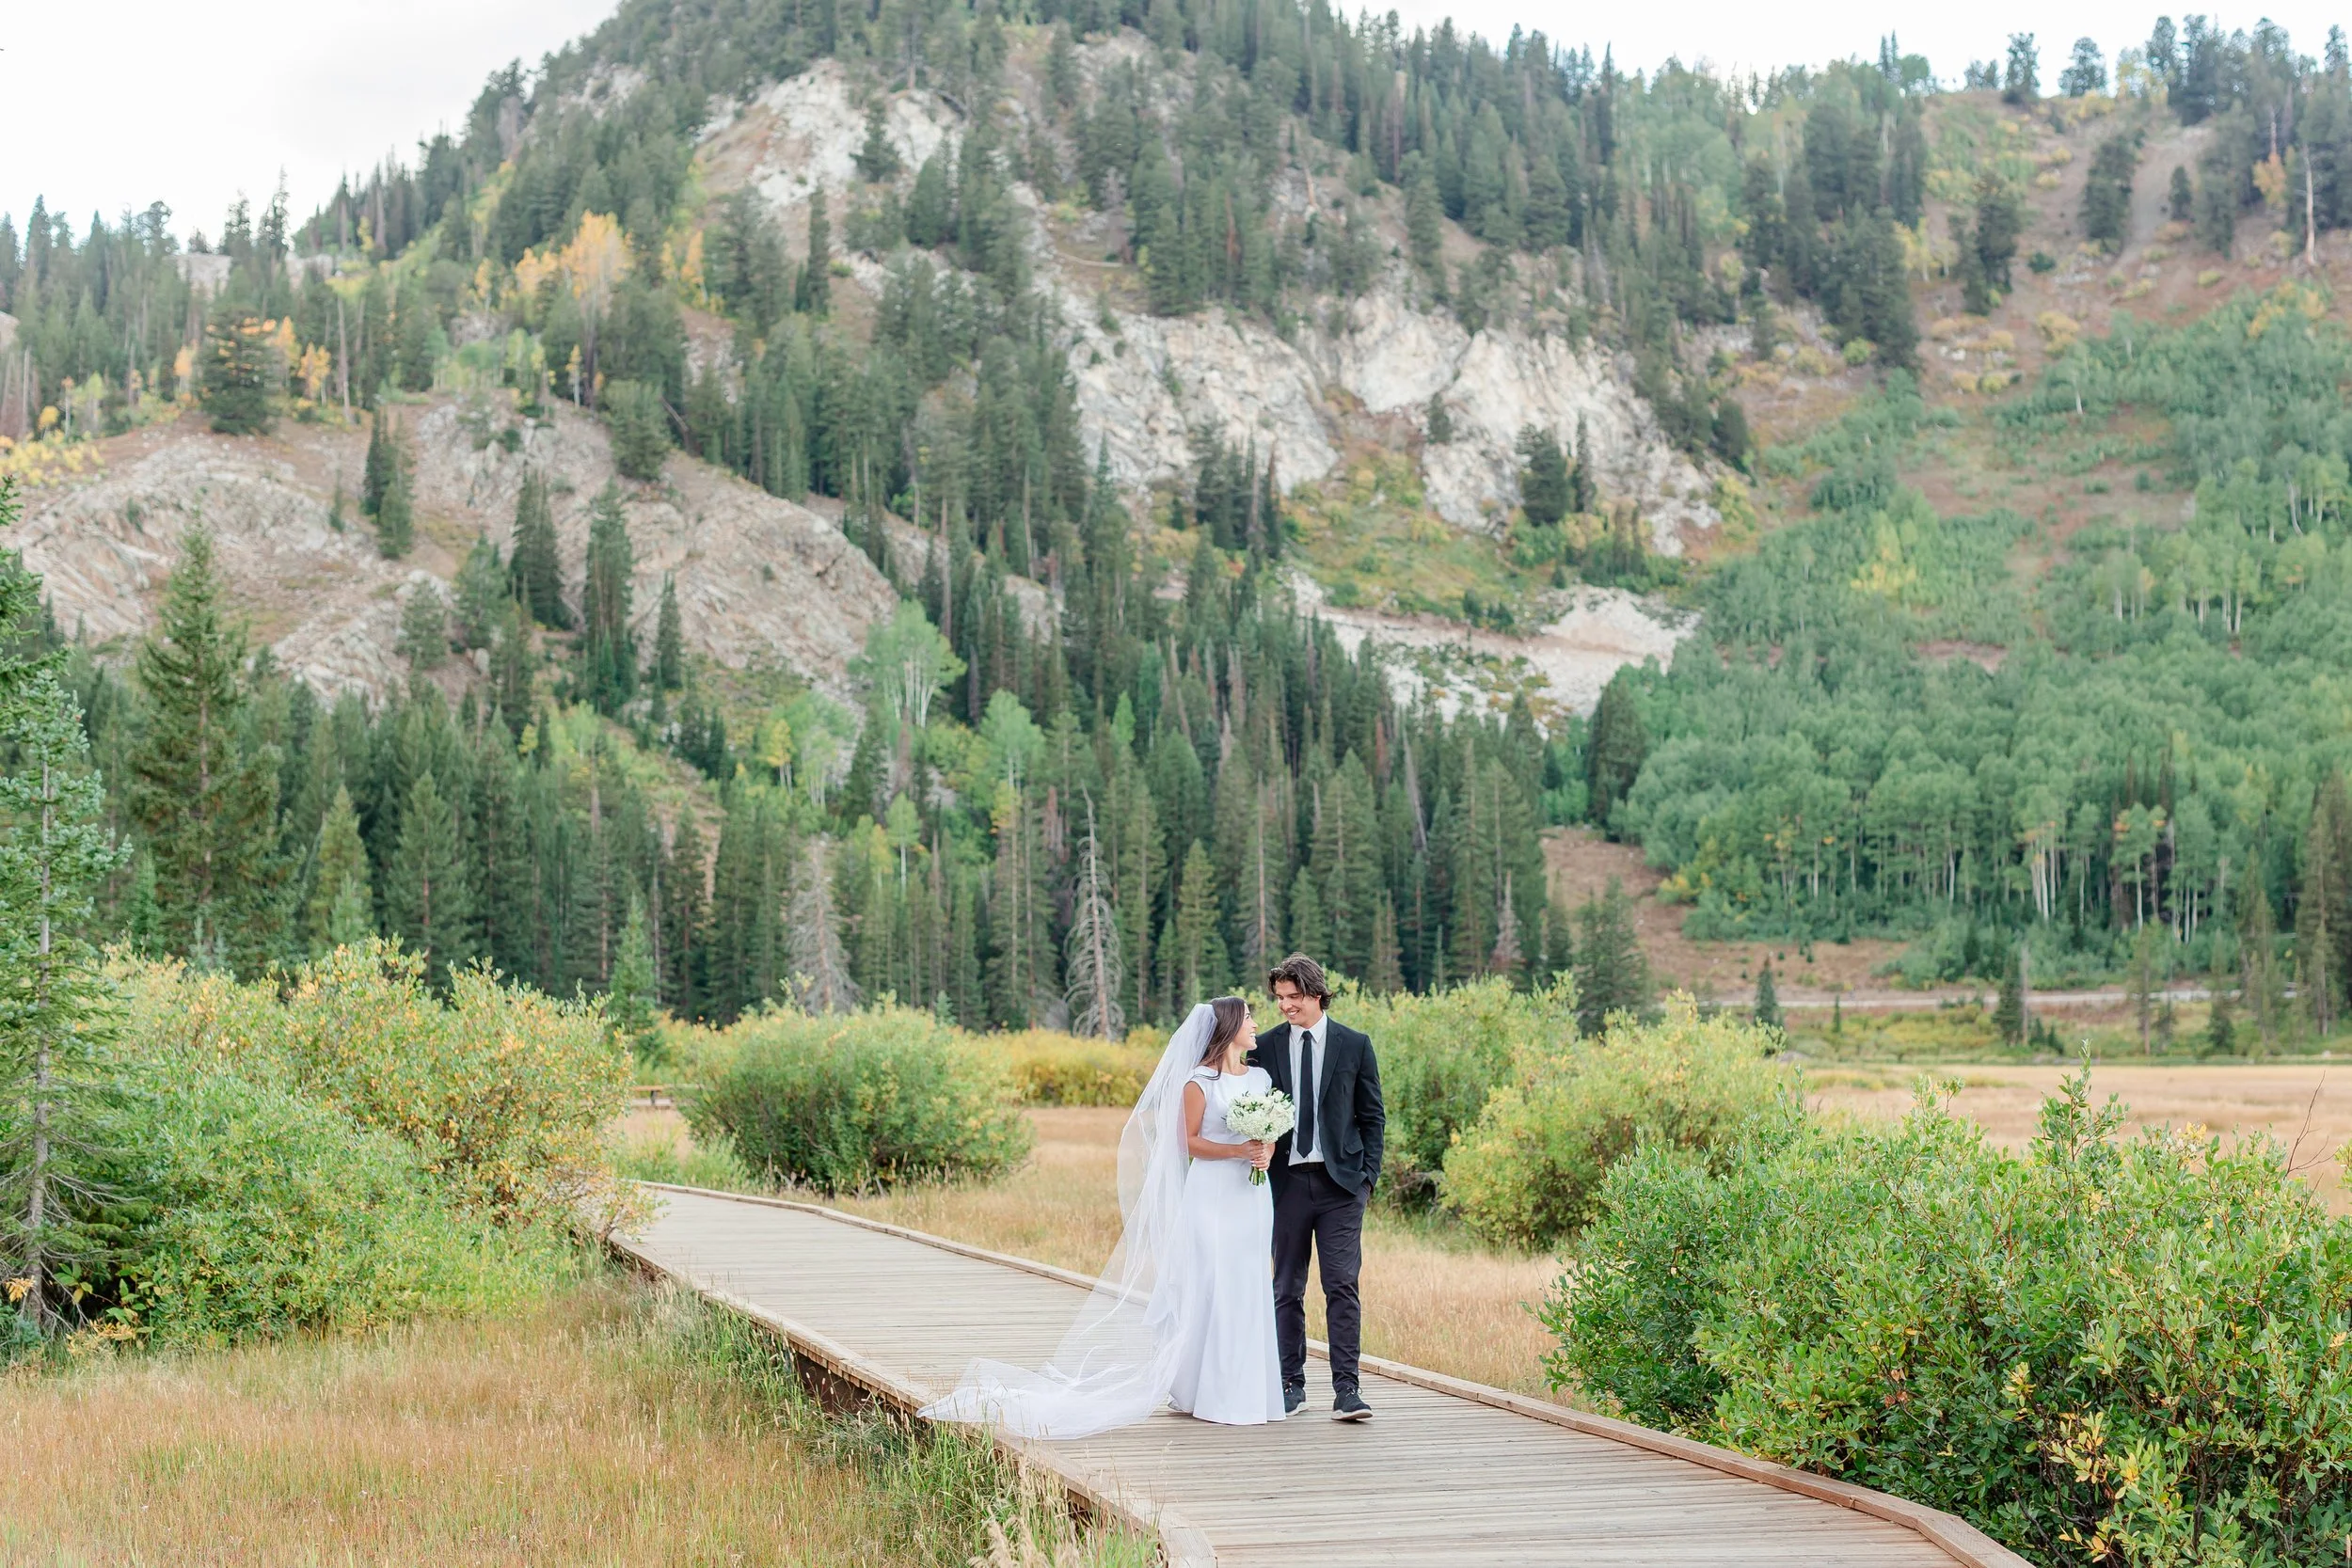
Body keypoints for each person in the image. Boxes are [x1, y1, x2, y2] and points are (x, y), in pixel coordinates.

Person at [920, 997, 1287, 1437]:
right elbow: (1185, 1143)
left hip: (1251, 1198)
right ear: (1229, 1028)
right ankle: (1205, 1391)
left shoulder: (1262, 1077)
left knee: (1248, 1285)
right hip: (1210, 1198)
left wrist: (1265, 1149)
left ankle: (1249, 1392)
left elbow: (1270, 1135)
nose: (1256, 1024)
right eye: (1249, 1018)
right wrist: (1236, 1151)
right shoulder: (1198, 1083)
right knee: (1213, 1286)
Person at [1250, 953, 1384, 1421]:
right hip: (1284, 1185)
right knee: (1286, 1286)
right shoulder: (1263, 1048)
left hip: (1341, 1188)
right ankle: (1291, 1384)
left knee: (1341, 1284)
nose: (1285, 1006)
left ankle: (1348, 1390)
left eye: (1293, 997)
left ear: (1317, 994)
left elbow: (1372, 1117)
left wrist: (1366, 1179)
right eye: (1280, 998)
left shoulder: (1354, 1045)